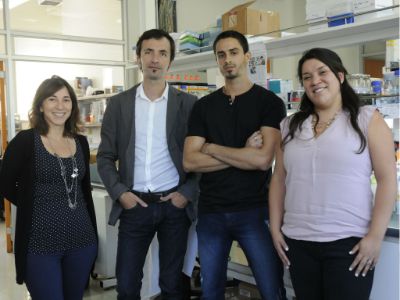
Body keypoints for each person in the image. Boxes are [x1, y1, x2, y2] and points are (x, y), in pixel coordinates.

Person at [269, 48, 397, 300]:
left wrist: (375, 236)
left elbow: (387, 180)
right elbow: (278, 179)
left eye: (321, 72)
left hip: (348, 243)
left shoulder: (367, 119)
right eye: (307, 77)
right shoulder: (290, 125)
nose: (315, 81)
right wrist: (275, 228)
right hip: (298, 241)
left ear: (339, 76)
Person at [183, 30, 287, 300]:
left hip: (254, 211)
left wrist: (212, 148)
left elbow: (264, 160)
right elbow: (190, 161)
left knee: (271, 289)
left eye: (233, 52)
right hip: (212, 212)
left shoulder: (269, 104)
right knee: (211, 292)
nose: (227, 59)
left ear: (246, 56)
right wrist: (243, 154)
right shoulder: (204, 107)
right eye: (221, 55)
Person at [97, 28, 198, 299]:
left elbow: (200, 157)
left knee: (173, 285)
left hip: (173, 206)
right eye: (148, 52)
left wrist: (186, 194)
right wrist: (121, 194)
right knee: (128, 286)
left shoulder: (188, 104)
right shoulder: (118, 104)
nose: (155, 59)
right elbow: (105, 157)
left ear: (170, 60)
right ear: (138, 58)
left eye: (162, 53)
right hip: (134, 206)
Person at [0, 75, 98, 299]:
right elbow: (4, 183)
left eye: (66, 99)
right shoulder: (25, 141)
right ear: (41, 105)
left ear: (73, 106)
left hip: (82, 242)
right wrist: (33, 202)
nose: (60, 106)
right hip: (40, 244)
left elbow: (83, 192)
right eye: (52, 99)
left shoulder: (80, 142)